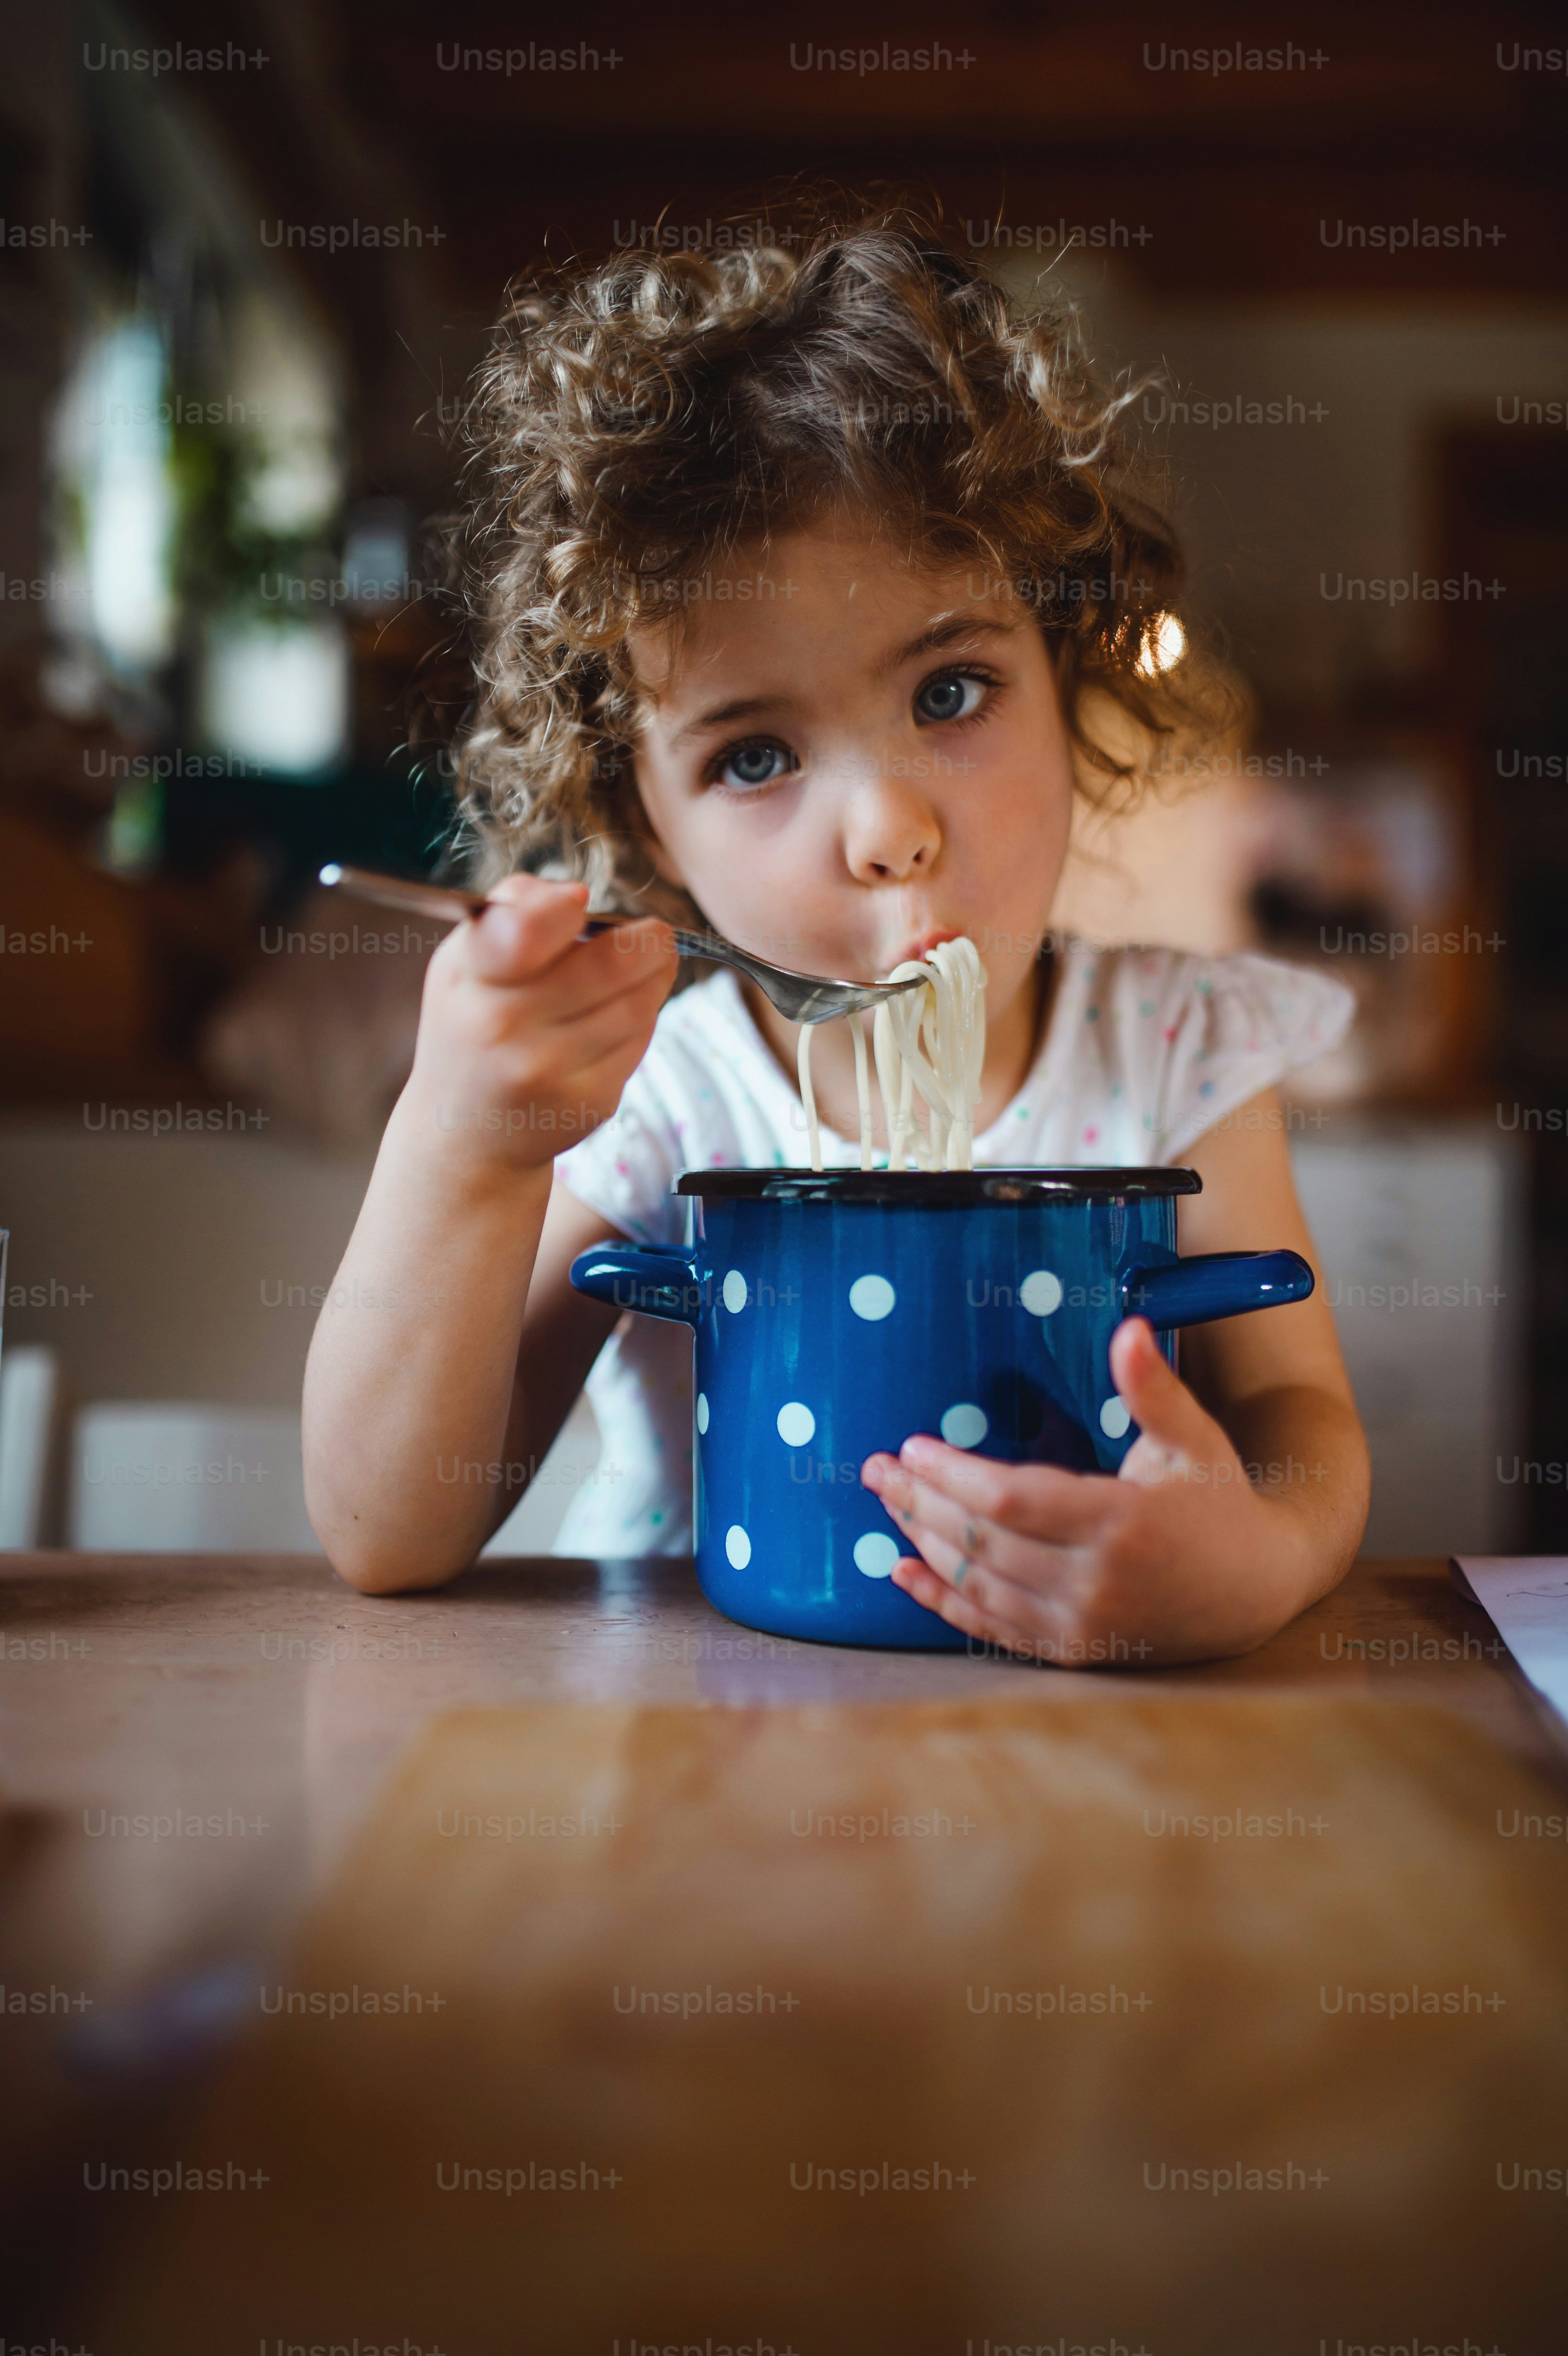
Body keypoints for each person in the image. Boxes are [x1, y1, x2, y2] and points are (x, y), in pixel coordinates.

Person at [303, 209, 1369, 1662]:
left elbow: (1299, 1419)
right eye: (753, 757)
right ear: (644, 833)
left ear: (1070, 681)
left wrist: (1266, 1556)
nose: (885, 829)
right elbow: (389, 1534)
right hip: (693, 1745)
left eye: (949, 695)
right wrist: (463, 1142)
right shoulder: (668, 1102)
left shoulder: (1176, 1051)